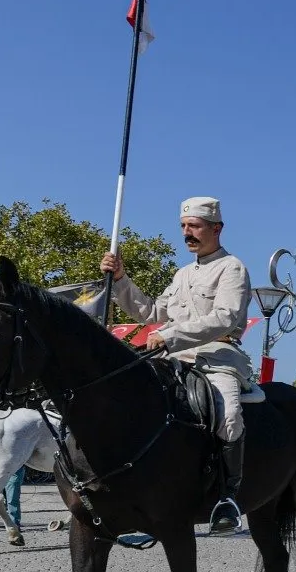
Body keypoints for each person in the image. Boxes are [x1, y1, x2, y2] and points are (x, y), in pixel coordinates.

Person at [102, 196, 253, 535]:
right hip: (173, 357)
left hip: (217, 356)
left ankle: (227, 498)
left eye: (195, 226)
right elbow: (152, 313)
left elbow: (225, 318)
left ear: (216, 228)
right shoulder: (182, 273)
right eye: (184, 227)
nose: (187, 233)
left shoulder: (232, 268)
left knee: (228, 415)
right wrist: (122, 280)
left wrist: (172, 337)